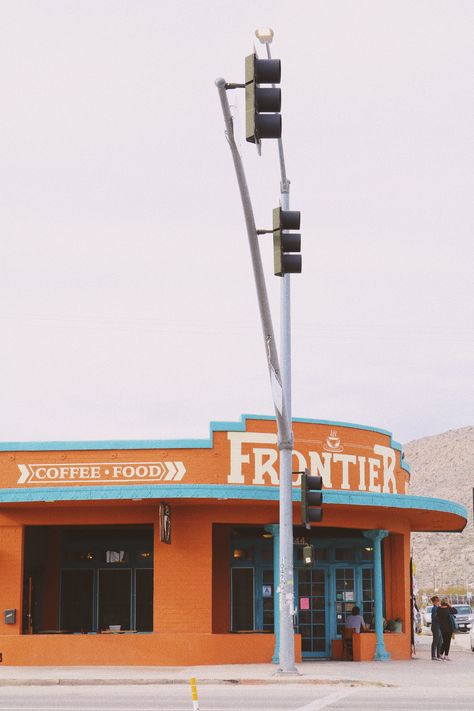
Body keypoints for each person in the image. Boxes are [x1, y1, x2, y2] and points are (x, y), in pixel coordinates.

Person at [430, 595, 443, 660]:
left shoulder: (437, 607)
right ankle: (433, 656)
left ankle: (438, 655)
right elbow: (434, 617)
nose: (439, 601)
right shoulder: (434, 608)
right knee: (435, 641)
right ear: (435, 602)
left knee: (440, 641)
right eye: (438, 600)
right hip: (436, 627)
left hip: (439, 626)